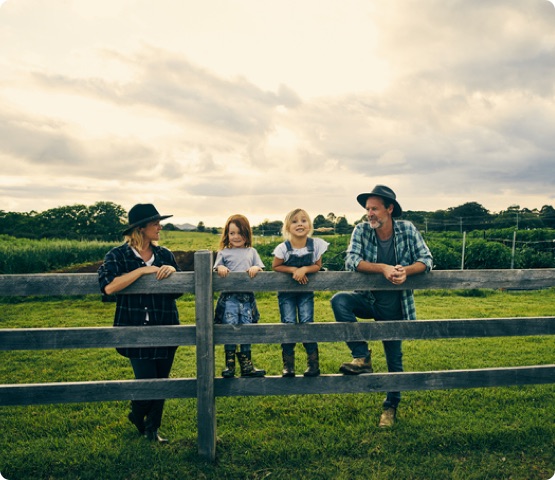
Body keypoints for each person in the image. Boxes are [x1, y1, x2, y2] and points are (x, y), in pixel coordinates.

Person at [330, 185, 433, 428]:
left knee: (394, 361)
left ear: (389, 209)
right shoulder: (362, 230)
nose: (370, 213)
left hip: (395, 307)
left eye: (375, 208)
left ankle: (390, 406)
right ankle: (362, 356)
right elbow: (351, 260)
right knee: (339, 300)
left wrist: (405, 271)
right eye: (368, 209)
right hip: (367, 299)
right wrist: (383, 268)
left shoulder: (407, 229)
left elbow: (426, 260)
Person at [98, 203, 181, 443]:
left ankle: (152, 429)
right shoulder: (117, 255)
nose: (160, 227)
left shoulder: (165, 254)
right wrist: (142, 272)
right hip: (134, 330)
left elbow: (178, 291)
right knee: (146, 382)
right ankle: (137, 413)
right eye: (155, 223)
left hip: (165, 327)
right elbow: (109, 287)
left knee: (161, 382)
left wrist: (171, 272)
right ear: (141, 228)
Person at [272, 208, 329, 377]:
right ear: (288, 227)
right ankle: (288, 365)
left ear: (309, 225)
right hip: (286, 293)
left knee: (307, 322)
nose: (300, 224)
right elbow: (276, 266)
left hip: (305, 291)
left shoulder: (315, 245)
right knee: (288, 323)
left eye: (304, 220)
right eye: (295, 221)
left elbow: (317, 266)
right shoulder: (283, 248)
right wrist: (292, 270)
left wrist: (304, 268)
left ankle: (313, 364)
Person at [213, 214, 266, 378]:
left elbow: (260, 267)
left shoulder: (252, 251)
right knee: (230, 329)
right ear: (227, 235)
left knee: (246, 328)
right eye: (232, 233)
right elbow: (217, 269)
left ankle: (246, 365)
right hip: (230, 300)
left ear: (247, 234)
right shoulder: (223, 253)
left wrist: (256, 269)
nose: (236, 237)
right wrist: (220, 268)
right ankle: (230, 365)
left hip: (247, 300)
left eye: (240, 233)